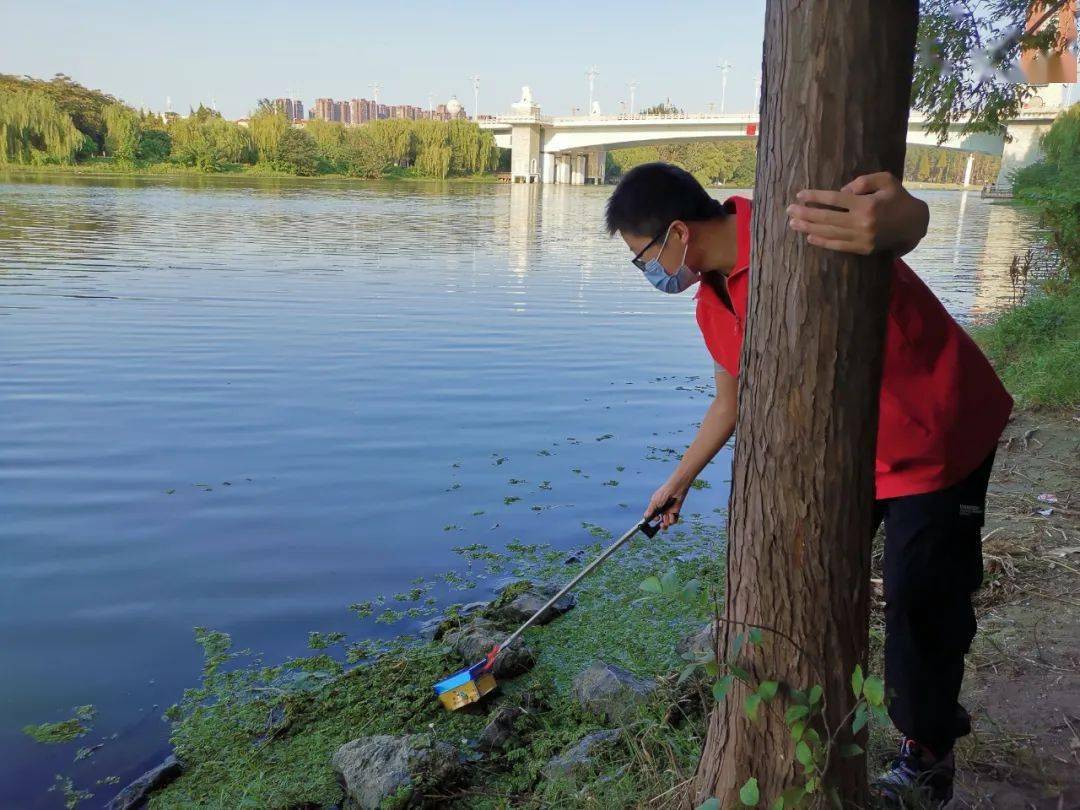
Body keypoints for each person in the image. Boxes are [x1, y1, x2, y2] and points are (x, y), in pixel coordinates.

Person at [604, 162, 1012, 807]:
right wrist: (677, 483)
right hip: (850, 456)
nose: (650, 274)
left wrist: (904, 219)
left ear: (678, 232)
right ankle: (822, 728)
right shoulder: (713, 302)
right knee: (806, 573)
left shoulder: (792, 224)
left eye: (644, 258)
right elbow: (728, 402)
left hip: (937, 435)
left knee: (920, 596)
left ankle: (928, 756)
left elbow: (904, 220)